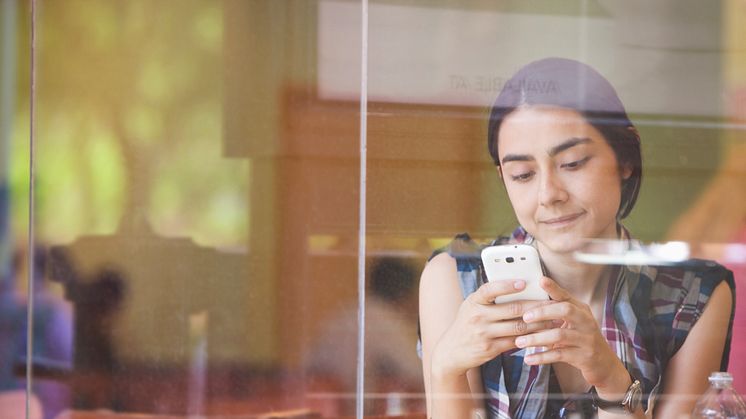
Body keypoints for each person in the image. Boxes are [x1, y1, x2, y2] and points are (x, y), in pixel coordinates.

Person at [418, 58, 736, 418]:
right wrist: (445, 369)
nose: (548, 194)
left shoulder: (692, 295)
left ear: (625, 158)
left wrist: (612, 378)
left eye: (572, 163)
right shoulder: (454, 279)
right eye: (522, 174)